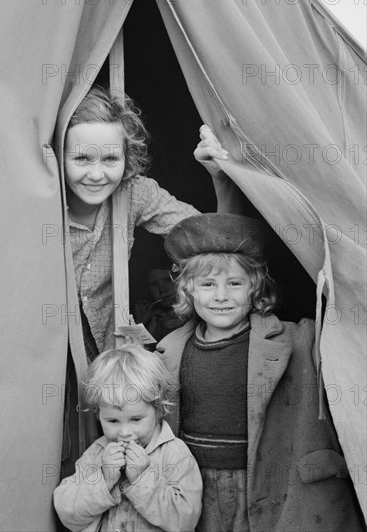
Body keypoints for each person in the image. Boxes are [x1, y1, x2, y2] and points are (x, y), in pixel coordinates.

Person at [157, 212, 364, 532]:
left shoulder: (299, 340)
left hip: (270, 488)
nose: (221, 296)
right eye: (208, 284)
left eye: (234, 283)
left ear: (254, 286)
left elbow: (351, 314)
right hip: (195, 488)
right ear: (188, 290)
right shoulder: (168, 352)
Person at [64, 86, 237, 356]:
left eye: (110, 158)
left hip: (106, 361)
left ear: (127, 158)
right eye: (82, 159)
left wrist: (219, 176)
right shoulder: (39, 202)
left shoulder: (134, 192)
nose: (96, 175)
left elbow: (214, 240)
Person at [54, 344, 203, 532]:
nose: (124, 432)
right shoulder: (97, 453)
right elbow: (67, 513)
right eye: (113, 421)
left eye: (136, 419)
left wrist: (143, 479)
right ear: (98, 414)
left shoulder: (175, 453)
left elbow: (185, 521)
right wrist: (104, 479)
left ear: (158, 410)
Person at [134, 268, 186, 343]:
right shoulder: (152, 319)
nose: (162, 289)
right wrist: (140, 322)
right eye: (154, 284)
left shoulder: (196, 316)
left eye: (167, 280)